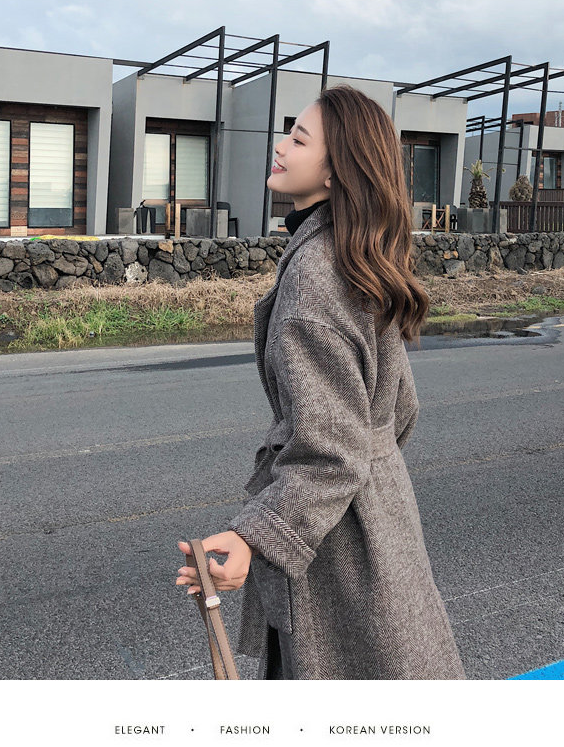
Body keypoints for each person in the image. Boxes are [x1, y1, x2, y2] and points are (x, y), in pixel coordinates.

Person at [176, 84, 466, 681]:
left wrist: (255, 538)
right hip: (383, 517)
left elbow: (331, 454)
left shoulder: (313, 279)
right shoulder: (358, 255)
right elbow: (402, 410)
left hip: (341, 547)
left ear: (336, 172)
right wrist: (370, 467)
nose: (280, 147)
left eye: (299, 139)